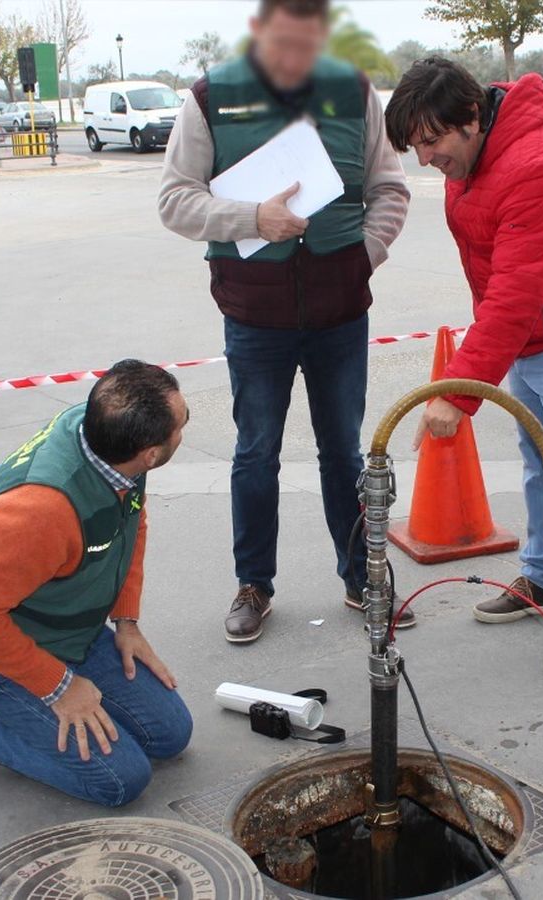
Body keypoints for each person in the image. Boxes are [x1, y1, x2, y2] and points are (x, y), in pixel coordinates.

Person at [157, 0, 411, 645]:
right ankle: (254, 585)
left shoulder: (354, 93)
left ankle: (363, 577)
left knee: (343, 452)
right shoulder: (210, 98)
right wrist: (251, 219)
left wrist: (364, 256)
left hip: (340, 312)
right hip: (256, 313)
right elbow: (175, 200)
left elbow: (389, 189)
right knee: (256, 453)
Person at [385, 58, 543, 677]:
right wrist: (487, 357)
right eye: (415, 147)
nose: (425, 160)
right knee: (538, 460)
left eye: (431, 142)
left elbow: (517, 291)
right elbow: (496, 280)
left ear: (471, 116)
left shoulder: (537, 164)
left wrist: (460, 392)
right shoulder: (471, 159)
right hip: (533, 333)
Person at [0, 360, 193, 807]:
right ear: (152, 453)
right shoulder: (40, 513)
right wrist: (58, 686)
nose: (184, 430)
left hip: (61, 622)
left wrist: (127, 621)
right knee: (122, 780)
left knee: (170, 735)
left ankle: (30, 704)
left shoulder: (104, 438)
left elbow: (130, 520)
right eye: (183, 424)